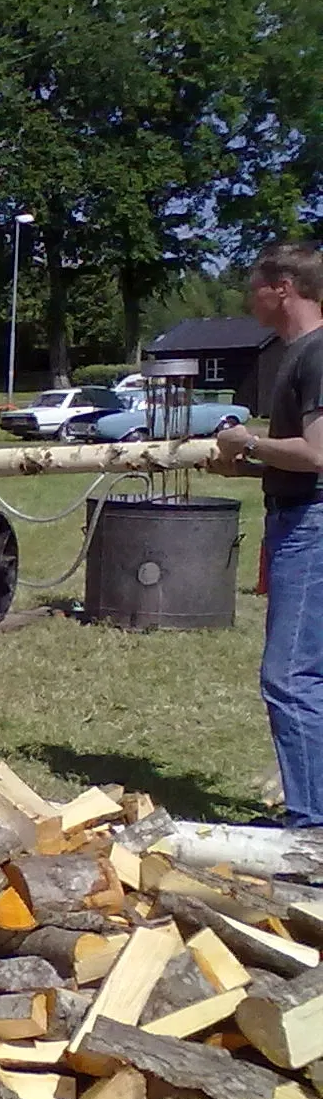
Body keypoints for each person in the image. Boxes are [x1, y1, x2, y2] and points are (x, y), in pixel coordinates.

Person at [210, 241, 323, 828]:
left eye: (254, 284)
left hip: (311, 523)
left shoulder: (316, 352)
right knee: (307, 673)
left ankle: (311, 831)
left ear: (282, 286)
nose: (247, 296)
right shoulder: (296, 354)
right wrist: (249, 465)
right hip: (297, 515)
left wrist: (247, 441)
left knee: (290, 677)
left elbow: (318, 453)